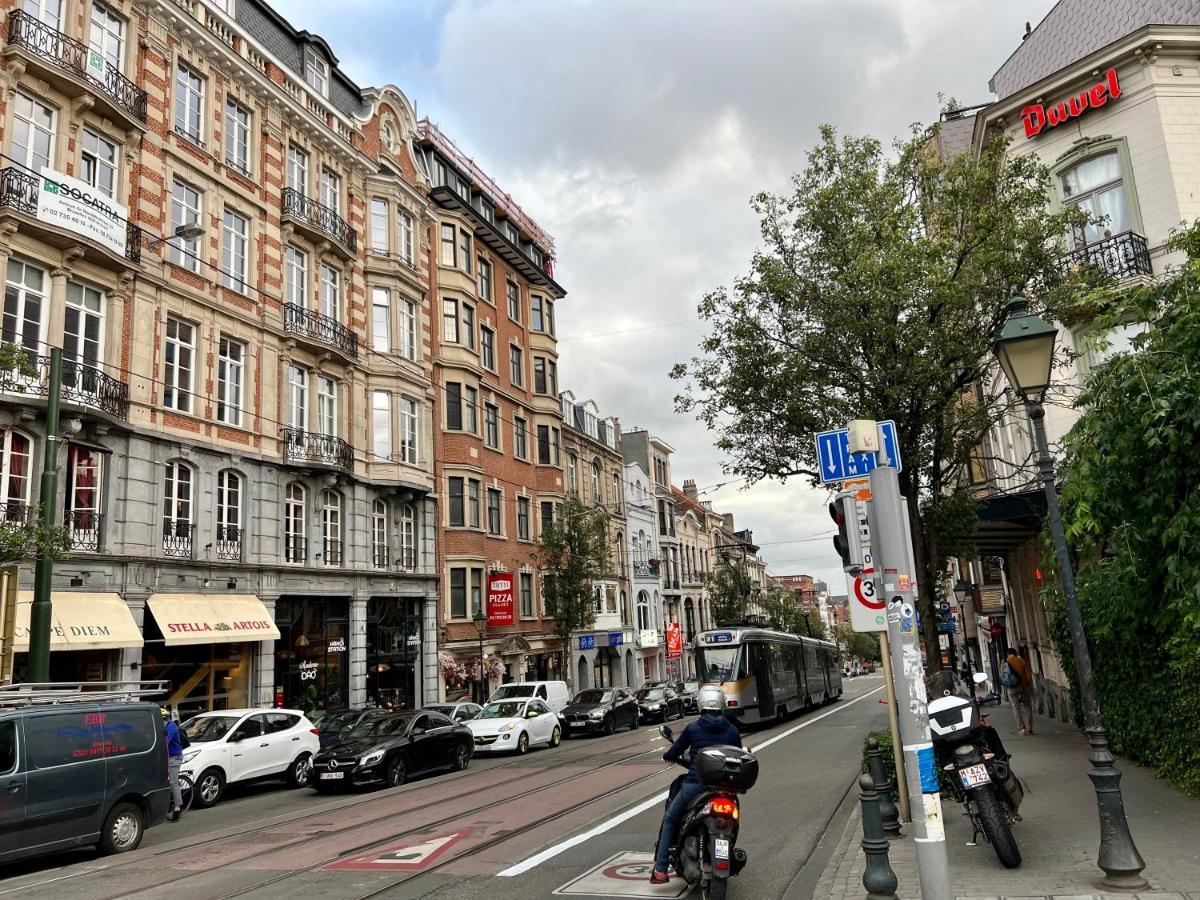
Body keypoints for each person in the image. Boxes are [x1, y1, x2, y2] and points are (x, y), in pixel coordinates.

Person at [650, 684, 742, 885]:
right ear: (721, 704)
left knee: (670, 819)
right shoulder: (733, 730)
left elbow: (675, 751)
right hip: (725, 788)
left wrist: (669, 756)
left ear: (701, 703)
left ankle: (661, 869)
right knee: (734, 818)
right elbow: (738, 755)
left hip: (697, 784)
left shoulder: (693, 728)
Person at [1004, 647, 1034, 735]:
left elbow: (1003, 676)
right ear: (1016, 653)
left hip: (1011, 688)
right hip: (1023, 686)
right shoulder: (1021, 661)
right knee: (1027, 706)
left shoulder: (1005, 663)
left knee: (1016, 707)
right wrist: (1027, 685)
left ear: (1008, 654)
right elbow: (1028, 675)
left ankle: (1021, 729)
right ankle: (1029, 727)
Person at [162, 707, 184, 821]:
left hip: (174, 757)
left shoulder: (171, 727)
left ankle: (177, 808)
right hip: (166, 757)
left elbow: (165, 742)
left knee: (173, 782)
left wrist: (167, 765)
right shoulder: (161, 726)